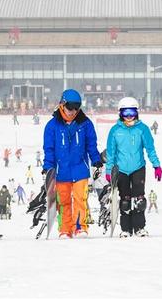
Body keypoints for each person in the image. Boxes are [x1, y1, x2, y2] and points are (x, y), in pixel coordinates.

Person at [43, 89, 102, 238]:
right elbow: (49, 149)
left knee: (80, 199)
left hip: (80, 168)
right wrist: (48, 168)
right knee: (63, 202)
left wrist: (96, 160)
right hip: (61, 171)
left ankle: (80, 227)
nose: (73, 111)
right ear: (62, 104)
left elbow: (91, 145)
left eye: (77, 107)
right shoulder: (52, 126)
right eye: (70, 107)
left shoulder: (85, 124)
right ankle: (65, 229)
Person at [106, 96, 162, 237]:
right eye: (126, 113)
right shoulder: (115, 131)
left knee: (139, 200)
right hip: (121, 170)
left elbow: (150, 149)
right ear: (120, 113)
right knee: (125, 201)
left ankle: (139, 228)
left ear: (136, 112)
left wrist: (156, 165)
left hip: (138, 168)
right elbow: (111, 153)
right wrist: (109, 170)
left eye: (132, 112)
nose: (129, 116)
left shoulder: (142, 129)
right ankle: (126, 229)